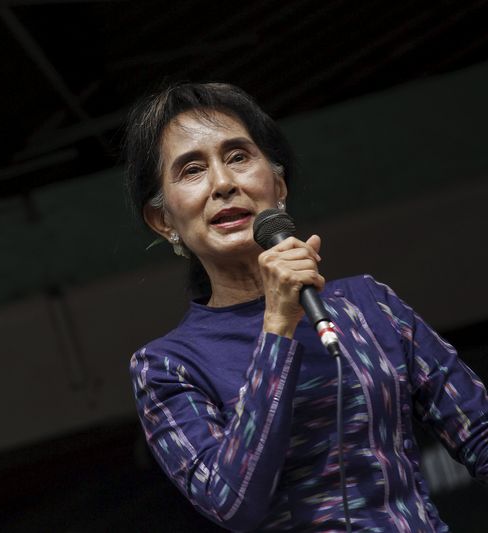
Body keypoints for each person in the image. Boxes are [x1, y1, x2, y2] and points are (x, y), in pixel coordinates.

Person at [124, 82, 488, 532]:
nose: (223, 183)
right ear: (163, 221)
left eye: (238, 157)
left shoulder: (367, 305)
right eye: (192, 170)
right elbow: (234, 503)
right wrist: (277, 324)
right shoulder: (165, 367)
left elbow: (480, 430)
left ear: (277, 185)